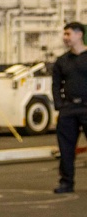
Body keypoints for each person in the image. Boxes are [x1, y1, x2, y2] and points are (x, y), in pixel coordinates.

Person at [52, 21, 87, 193]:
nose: (65, 38)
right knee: (66, 148)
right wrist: (60, 105)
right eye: (64, 34)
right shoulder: (62, 61)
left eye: (68, 34)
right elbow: (56, 85)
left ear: (79, 35)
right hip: (69, 110)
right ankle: (66, 182)